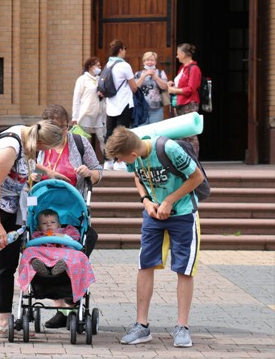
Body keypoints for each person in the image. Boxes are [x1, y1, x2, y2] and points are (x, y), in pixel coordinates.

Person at [0, 120, 63, 344]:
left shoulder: (29, 140)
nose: (42, 153)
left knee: (7, 267)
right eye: (45, 150)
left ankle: (3, 324)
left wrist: (49, 172)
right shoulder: (10, 146)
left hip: (13, 210)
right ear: (42, 141)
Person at [104, 126, 204, 348]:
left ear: (131, 153)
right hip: (153, 215)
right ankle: (142, 325)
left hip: (183, 214)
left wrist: (169, 200)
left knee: (183, 269)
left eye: (121, 159)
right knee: (145, 265)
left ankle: (182, 327)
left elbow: (196, 177)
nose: (122, 163)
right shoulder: (134, 157)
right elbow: (138, 178)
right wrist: (146, 201)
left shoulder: (168, 148)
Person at [33, 104, 102, 328]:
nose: (55, 135)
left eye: (60, 130)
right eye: (50, 130)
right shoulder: (38, 144)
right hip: (43, 213)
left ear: (68, 125)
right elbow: (25, 168)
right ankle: (61, 307)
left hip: (72, 213)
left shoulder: (79, 143)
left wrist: (89, 173)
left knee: (83, 242)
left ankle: (71, 299)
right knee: (44, 249)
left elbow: (97, 171)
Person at [17, 210, 95, 304]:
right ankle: (42, 267)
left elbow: (74, 240)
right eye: (44, 223)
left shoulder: (67, 231)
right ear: (38, 227)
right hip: (44, 254)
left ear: (59, 225)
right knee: (29, 251)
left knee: (79, 255)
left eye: (52, 222)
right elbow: (34, 246)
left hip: (62, 253)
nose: (49, 225)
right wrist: (42, 239)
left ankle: (59, 267)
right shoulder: (38, 234)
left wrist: (63, 237)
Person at [102, 39, 138, 171]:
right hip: (124, 103)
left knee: (109, 133)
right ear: (120, 50)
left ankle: (107, 160)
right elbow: (134, 88)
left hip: (110, 104)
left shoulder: (108, 64)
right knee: (122, 133)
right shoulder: (125, 66)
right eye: (124, 49)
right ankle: (119, 161)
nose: (125, 52)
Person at [168, 43, 202, 157]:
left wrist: (174, 91)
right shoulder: (182, 68)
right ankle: (185, 157)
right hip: (180, 103)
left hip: (189, 104)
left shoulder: (194, 69)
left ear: (183, 54)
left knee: (190, 133)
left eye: (178, 54)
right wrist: (173, 85)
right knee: (181, 132)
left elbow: (191, 89)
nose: (177, 56)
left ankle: (194, 158)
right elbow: (181, 85)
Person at [72, 57, 106, 159]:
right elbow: (76, 98)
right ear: (90, 67)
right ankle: (84, 161)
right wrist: (75, 116)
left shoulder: (100, 79)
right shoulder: (82, 79)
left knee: (103, 137)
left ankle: (108, 161)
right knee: (84, 140)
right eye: (98, 65)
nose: (100, 68)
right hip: (86, 113)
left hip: (100, 113)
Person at [135, 51, 169, 125]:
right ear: (144, 62)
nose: (149, 62)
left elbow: (165, 87)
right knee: (142, 131)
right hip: (141, 108)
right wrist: (144, 75)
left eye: (152, 60)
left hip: (156, 108)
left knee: (156, 131)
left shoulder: (161, 73)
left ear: (155, 62)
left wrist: (155, 77)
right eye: (147, 60)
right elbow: (135, 88)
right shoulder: (138, 74)